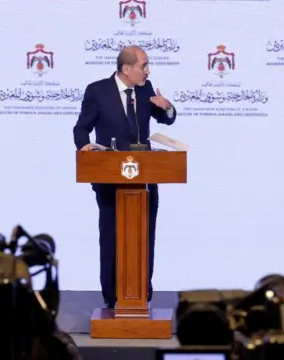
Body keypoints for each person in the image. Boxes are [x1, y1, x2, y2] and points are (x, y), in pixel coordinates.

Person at [73, 45, 177, 309]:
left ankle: (141, 294)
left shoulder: (146, 88)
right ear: (126, 68)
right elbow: (81, 128)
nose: (147, 71)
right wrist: (84, 147)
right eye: (143, 65)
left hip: (145, 178)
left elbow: (165, 119)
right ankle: (112, 297)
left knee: (144, 237)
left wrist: (167, 108)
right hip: (109, 179)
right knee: (111, 237)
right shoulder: (97, 90)